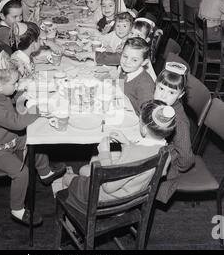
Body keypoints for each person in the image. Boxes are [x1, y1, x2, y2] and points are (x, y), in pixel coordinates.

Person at [0, 52, 66, 225]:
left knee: (36, 140)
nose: (17, 85)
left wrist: (21, 95)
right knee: (21, 172)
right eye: (14, 83)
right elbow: (17, 123)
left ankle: (45, 172)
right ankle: (17, 209)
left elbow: (10, 97)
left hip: (7, 139)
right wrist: (37, 110)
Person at [62, 100, 176, 215]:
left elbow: (108, 187)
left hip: (107, 199)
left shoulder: (133, 154)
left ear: (144, 129)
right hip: (132, 195)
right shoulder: (166, 152)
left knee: (67, 178)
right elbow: (154, 169)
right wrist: (127, 144)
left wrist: (104, 153)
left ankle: (72, 217)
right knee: (84, 170)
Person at [154, 61, 195, 204]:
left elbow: (186, 157)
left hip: (163, 164)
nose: (163, 96)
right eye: (160, 88)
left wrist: (175, 167)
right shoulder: (160, 105)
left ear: (180, 94)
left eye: (171, 92)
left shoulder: (179, 122)